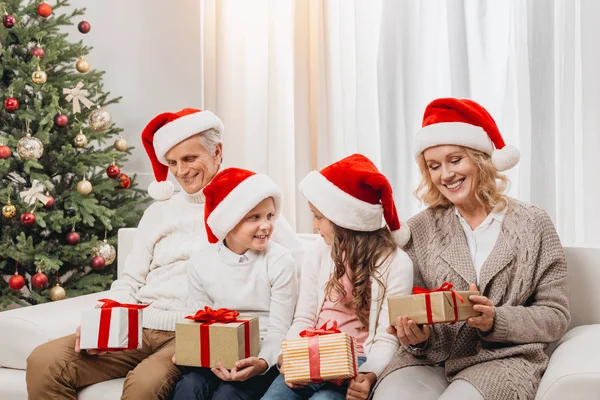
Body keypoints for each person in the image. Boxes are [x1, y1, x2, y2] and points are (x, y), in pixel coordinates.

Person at [26, 108, 303, 400]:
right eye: (171, 162)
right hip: (137, 326)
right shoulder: (159, 211)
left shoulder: (252, 208)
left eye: (189, 158)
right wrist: (105, 323)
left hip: (191, 332)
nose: (181, 171)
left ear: (217, 151)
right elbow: (131, 279)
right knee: (45, 362)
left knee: (144, 387)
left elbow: (295, 266)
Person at [372, 98, 570, 400]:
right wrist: (417, 337)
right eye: (434, 166)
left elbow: (555, 315)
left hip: (502, 359)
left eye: (455, 160)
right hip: (431, 359)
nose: (446, 174)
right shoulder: (420, 228)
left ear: (480, 158)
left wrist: (497, 320)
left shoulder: (534, 224)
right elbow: (411, 304)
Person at [262, 154, 414, 400]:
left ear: (346, 220)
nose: (314, 226)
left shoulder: (396, 263)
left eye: (319, 217)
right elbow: (304, 317)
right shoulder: (318, 252)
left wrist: (370, 373)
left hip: (356, 362)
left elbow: (388, 337)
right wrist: (288, 356)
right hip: (310, 354)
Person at [171, 167, 298, 399]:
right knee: (189, 387)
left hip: (261, 357)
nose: (266, 225)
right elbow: (203, 321)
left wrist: (261, 362)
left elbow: (280, 327)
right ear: (228, 221)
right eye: (254, 217)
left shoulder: (280, 261)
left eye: (270, 216)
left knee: (229, 394)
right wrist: (191, 350)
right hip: (219, 353)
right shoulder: (200, 264)